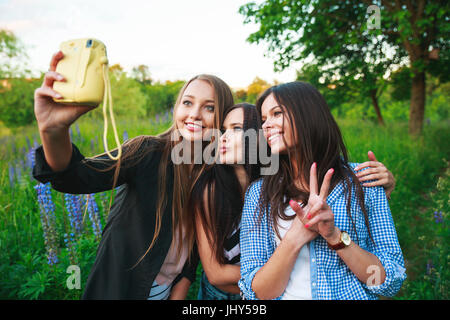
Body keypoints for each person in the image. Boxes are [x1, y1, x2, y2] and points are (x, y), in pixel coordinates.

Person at [32, 51, 234, 299]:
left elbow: (192, 247)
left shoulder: (213, 173)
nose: (194, 114)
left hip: (165, 291)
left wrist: (180, 288)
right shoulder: (148, 152)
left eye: (209, 108)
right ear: (177, 107)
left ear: (222, 119)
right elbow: (76, 176)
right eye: (188, 103)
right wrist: (53, 130)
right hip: (121, 290)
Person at [190, 100, 397, 300]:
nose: (222, 137)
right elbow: (235, 281)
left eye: (235, 128)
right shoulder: (236, 191)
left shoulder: (355, 182)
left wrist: (382, 188)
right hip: (222, 293)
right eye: (264, 120)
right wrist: (267, 269)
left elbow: (389, 279)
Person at [238, 81, 406, 300]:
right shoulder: (260, 194)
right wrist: (294, 238)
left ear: (308, 114)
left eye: (276, 113)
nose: (267, 125)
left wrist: (334, 235)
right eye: (263, 120)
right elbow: (257, 293)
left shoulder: (364, 181)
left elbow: (389, 282)